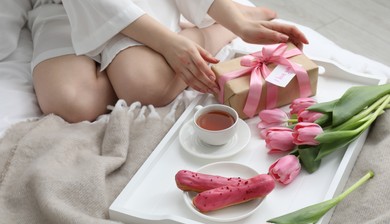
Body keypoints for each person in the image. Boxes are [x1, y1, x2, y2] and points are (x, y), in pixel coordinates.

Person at [28, 0, 308, 123]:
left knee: (144, 85)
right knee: (71, 103)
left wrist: (238, 25)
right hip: (59, 7)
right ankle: (215, 24)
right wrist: (167, 44)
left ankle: (223, 26)